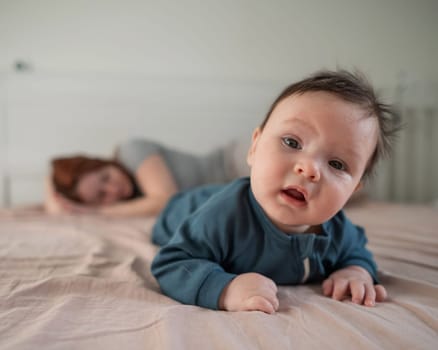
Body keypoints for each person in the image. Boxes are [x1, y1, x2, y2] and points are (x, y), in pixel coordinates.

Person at [150, 69, 400, 314]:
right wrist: (226, 289)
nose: (309, 168)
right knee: (195, 204)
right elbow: (172, 263)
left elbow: (356, 251)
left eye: (337, 164)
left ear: (352, 191)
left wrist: (356, 270)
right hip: (185, 206)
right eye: (292, 142)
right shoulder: (223, 217)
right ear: (254, 147)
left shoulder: (337, 232)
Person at [45, 138, 250, 217]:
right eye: (101, 195)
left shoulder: (131, 151)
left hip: (235, 164)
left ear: (103, 161)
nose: (113, 189)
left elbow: (165, 201)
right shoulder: (134, 201)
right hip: (241, 190)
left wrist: (97, 209)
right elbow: (57, 211)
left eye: (106, 178)